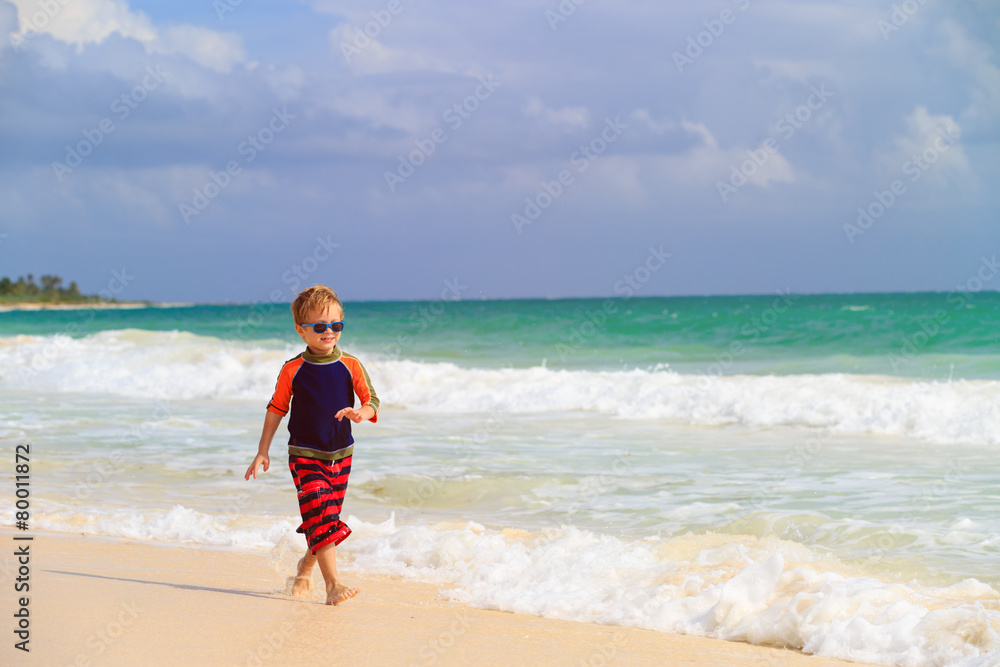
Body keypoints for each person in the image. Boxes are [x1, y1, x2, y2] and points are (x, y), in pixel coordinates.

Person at [245, 285, 379, 605]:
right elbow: (277, 408)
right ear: (301, 331)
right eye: (319, 327)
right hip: (304, 454)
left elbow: (371, 401)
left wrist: (361, 413)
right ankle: (333, 585)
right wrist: (263, 451)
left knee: (325, 520)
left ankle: (304, 568)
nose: (329, 332)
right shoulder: (293, 369)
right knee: (321, 510)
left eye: (336, 325)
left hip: (341, 454)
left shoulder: (351, 364)